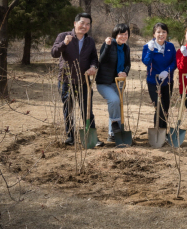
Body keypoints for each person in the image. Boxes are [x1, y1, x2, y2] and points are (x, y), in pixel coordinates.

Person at [51, 13, 103, 147]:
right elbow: (54, 53)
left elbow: (94, 58)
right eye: (82, 23)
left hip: (84, 81)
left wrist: (93, 67)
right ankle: (70, 137)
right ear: (75, 23)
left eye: (87, 24)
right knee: (68, 109)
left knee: (87, 110)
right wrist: (64, 43)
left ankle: (91, 137)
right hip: (66, 80)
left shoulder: (90, 41)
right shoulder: (63, 36)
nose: (84, 26)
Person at [95, 23, 132, 143]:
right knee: (114, 100)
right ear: (115, 34)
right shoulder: (109, 44)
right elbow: (102, 60)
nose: (123, 36)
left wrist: (125, 72)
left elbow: (127, 64)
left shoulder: (126, 48)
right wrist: (106, 45)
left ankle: (113, 135)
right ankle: (115, 126)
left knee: (118, 106)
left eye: (125, 34)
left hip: (118, 82)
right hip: (104, 82)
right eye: (121, 34)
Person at [142, 22, 177, 131]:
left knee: (165, 108)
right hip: (153, 81)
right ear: (154, 34)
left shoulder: (170, 46)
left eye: (164, 32)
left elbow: (174, 62)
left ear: (167, 34)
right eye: (158, 32)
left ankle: (163, 133)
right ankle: (157, 130)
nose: (161, 34)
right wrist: (150, 51)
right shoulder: (147, 46)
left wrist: (167, 71)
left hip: (168, 81)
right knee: (159, 107)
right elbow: (146, 62)